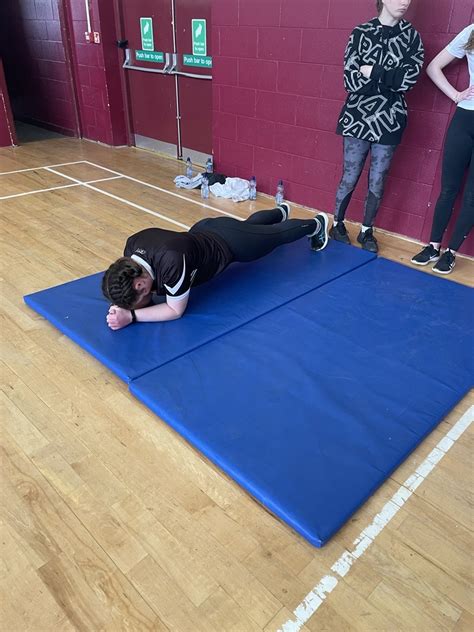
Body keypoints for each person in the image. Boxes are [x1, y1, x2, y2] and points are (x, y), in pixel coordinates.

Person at [103, 205, 329, 329]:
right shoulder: (132, 247)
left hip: (230, 244)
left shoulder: (171, 261)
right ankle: (280, 211)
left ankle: (316, 225)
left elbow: (174, 310)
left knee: (275, 236)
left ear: (141, 284)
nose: (142, 305)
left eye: (139, 300)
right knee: (250, 227)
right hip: (205, 229)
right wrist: (120, 301)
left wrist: (132, 317)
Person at [330, 0, 424, 253]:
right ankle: (336, 223)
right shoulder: (360, 33)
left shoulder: (412, 37)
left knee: (378, 179)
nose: (405, 2)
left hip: (390, 120)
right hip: (357, 119)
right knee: (350, 176)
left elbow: (408, 81)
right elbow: (351, 81)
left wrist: (373, 71)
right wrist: (389, 79)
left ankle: (366, 230)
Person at [411, 25, 474, 274]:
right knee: (448, 188)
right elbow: (433, 67)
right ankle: (433, 246)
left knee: (472, 196)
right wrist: (456, 94)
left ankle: (451, 252)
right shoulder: (471, 32)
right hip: (465, 118)